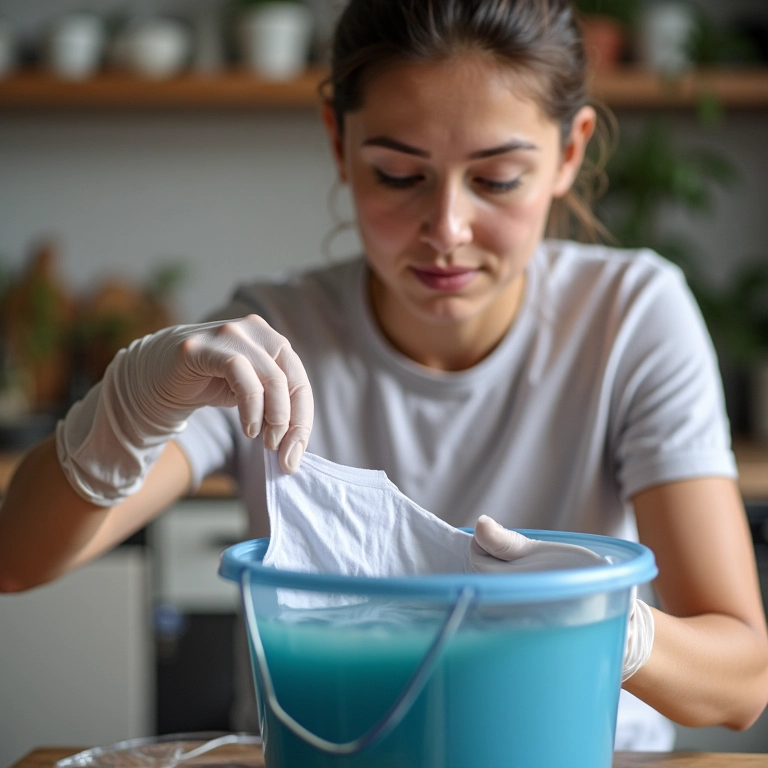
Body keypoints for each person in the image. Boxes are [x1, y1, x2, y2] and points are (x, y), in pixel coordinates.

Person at [1, 0, 767, 751]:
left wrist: (600, 621)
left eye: (497, 179)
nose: (447, 231)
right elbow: (17, 561)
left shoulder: (630, 318)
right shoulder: (276, 337)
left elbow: (741, 683)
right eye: (400, 175)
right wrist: (129, 409)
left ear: (570, 152)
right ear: (338, 141)